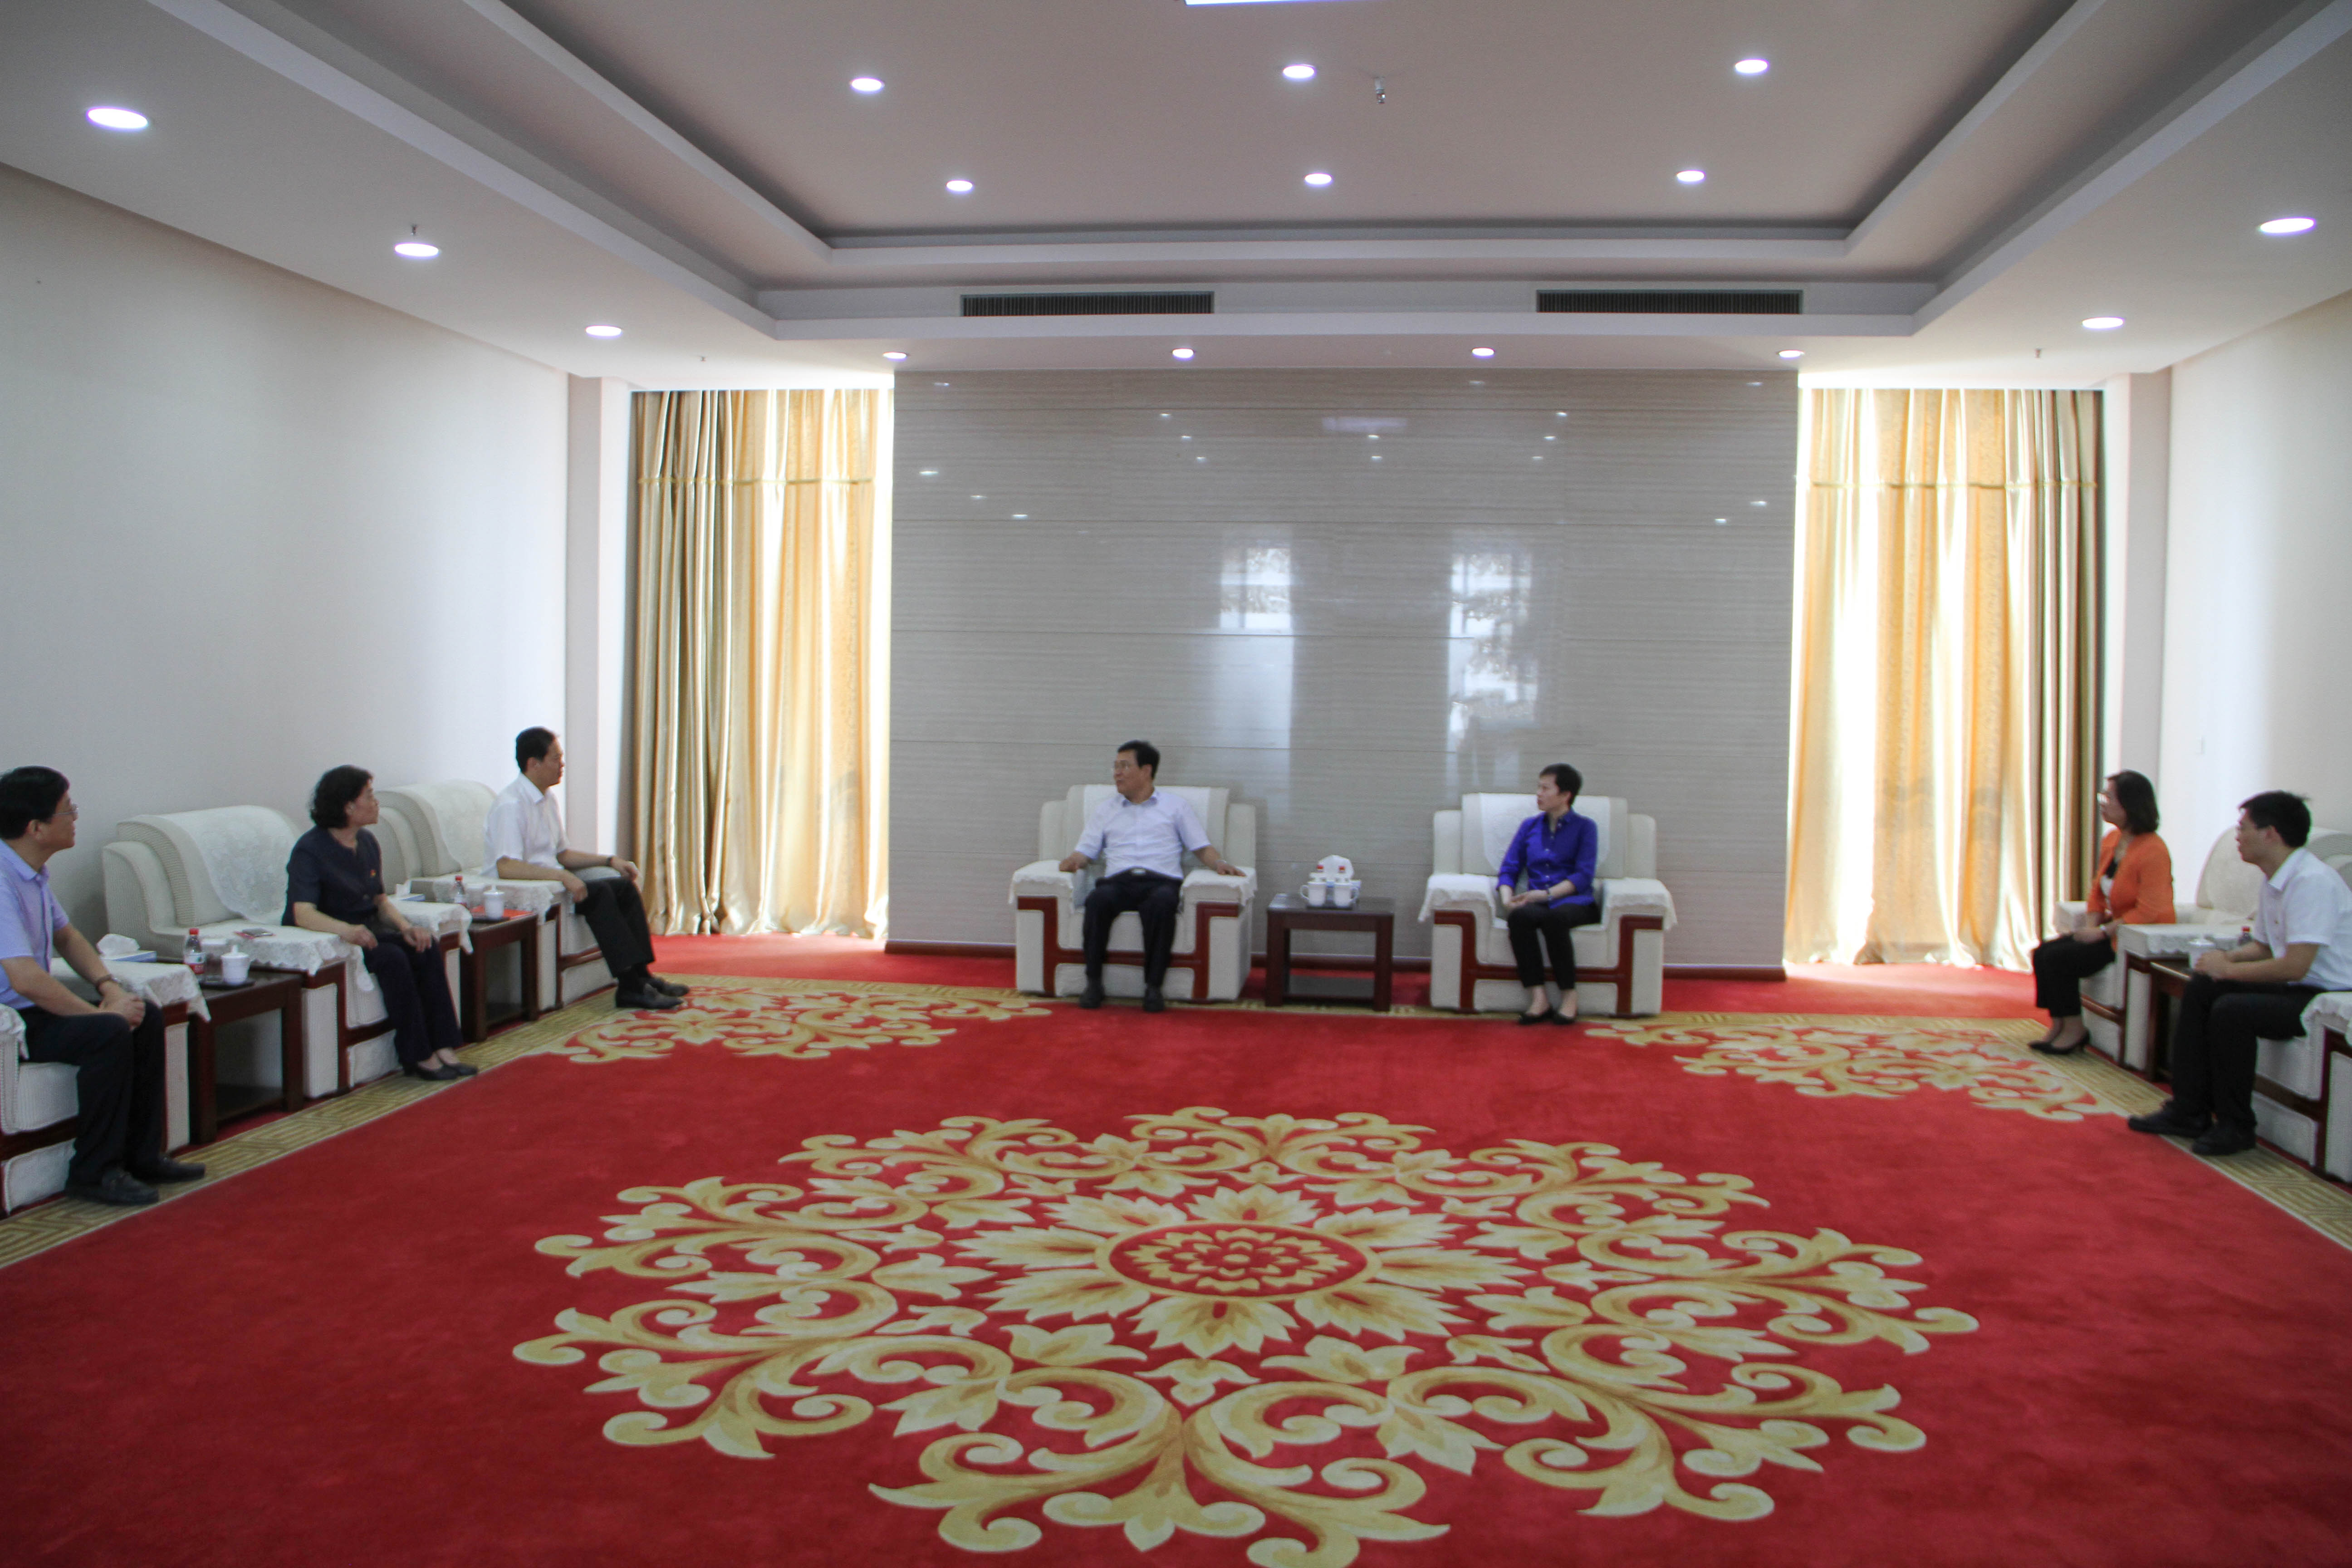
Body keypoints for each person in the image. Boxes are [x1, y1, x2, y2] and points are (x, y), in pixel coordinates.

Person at [0, 766, 205, 1206]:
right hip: (11, 1023)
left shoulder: (32, 873)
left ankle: (142, 1156)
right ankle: (94, 1171)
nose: (76, 818)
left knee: (144, 1015)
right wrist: (99, 1014)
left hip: (34, 1010)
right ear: (36, 828)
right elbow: (25, 979)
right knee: (108, 1031)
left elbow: (68, 937)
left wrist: (109, 987)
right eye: (67, 810)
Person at [2128, 791, 2352, 1157]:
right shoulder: (2275, 878)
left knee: (2232, 1011)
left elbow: (2296, 965)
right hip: (2294, 983)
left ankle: (2236, 1126)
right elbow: (2264, 947)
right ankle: (2188, 1110)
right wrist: (2225, 960)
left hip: (2323, 996)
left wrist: (2230, 969)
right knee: (2203, 986)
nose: (2238, 836)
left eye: (2243, 828)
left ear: (2271, 834)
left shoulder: (2312, 882)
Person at [286, 767, 473, 1083]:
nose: (376, 804)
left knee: (425, 946)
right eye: (370, 797)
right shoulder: (311, 849)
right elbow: (302, 912)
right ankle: (418, 1055)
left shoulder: (368, 842)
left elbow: (380, 900)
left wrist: (406, 927)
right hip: (338, 936)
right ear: (349, 806)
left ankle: (444, 1045)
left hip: (371, 930)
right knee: (393, 958)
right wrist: (346, 931)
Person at [486, 727, 685, 1012]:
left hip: (553, 883)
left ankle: (643, 976)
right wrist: (563, 876)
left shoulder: (547, 799)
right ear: (533, 764)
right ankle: (629, 987)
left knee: (623, 886)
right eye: (556, 759)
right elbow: (507, 866)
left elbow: (562, 854)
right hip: (524, 890)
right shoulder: (511, 805)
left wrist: (609, 860)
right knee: (601, 893)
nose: (562, 764)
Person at [1057, 740, 1240, 1013]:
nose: (1117, 773)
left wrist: (1220, 864)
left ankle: (1153, 987)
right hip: (1118, 882)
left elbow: (1201, 847)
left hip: (1161, 882)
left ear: (1146, 770)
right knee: (1097, 901)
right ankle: (1093, 983)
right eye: (1115, 767)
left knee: (1162, 905)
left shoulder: (1176, 807)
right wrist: (1073, 861)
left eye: (1124, 766)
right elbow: (1086, 851)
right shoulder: (1106, 809)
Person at [2029, 770, 2174, 1056]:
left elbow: (2150, 910)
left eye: (2109, 798)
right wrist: (2091, 925)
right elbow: (2097, 891)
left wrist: (2102, 932)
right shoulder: (2113, 840)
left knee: (2060, 959)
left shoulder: (2154, 851)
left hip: (2131, 937)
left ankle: (2075, 1029)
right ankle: (2059, 1023)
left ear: (2130, 805)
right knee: (2044, 952)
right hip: (2109, 929)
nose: (2102, 803)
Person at [1498, 763, 1601, 1027]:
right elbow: (1509, 869)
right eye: (1538, 787)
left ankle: (1569, 997)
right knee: (1520, 918)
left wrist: (1544, 895)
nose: (1539, 793)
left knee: (1556, 919)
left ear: (1565, 795)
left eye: (1546, 788)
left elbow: (1583, 876)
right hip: (1539, 903)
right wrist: (1507, 900)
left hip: (1576, 902)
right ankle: (1539, 999)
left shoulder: (1586, 828)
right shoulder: (1529, 826)